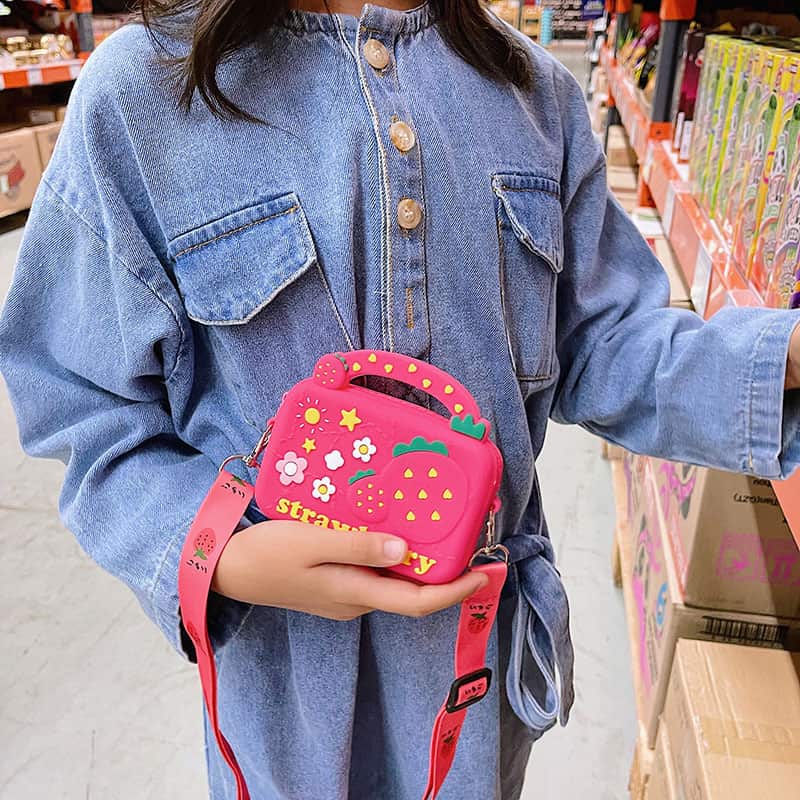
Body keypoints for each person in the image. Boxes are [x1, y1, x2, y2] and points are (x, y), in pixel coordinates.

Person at [1, 1, 799, 798]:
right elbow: (81, 401)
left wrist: (781, 359)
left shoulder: (535, 95)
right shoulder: (145, 94)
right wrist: (219, 550)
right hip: (286, 689)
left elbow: (598, 342)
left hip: (476, 673)